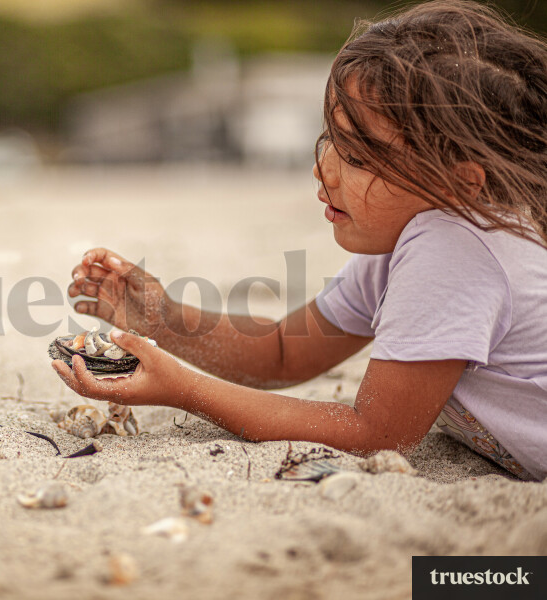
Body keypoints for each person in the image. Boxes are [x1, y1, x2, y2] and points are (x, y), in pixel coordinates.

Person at [51, 0, 547, 481]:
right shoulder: (414, 236)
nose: (323, 167)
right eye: (330, 135)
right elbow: (284, 350)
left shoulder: (455, 249)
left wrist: (185, 390)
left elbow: (376, 433)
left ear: (460, 182)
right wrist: (164, 317)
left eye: (357, 156)